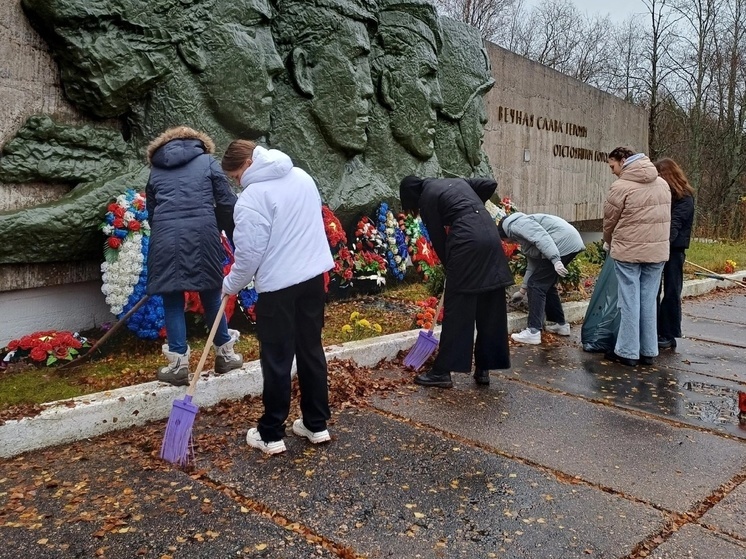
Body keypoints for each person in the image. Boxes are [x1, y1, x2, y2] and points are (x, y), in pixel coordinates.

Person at [221, 140, 334, 455]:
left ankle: (270, 433)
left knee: (277, 359)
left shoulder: (251, 199)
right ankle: (316, 424)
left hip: (279, 287)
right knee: (311, 349)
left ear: (245, 165)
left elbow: (248, 257)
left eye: (235, 176)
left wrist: (230, 285)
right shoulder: (301, 176)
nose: (237, 182)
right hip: (312, 279)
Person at [145, 126, 243, 385]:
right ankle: (225, 355)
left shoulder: (156, 169)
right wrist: (224, 231)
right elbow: (227, 202)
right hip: (203, 236)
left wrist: (166, 233)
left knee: (172, 300)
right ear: (198, 143)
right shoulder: (207, 162)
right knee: (211, 294)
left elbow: (152, 212)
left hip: (165, 239)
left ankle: (178, 366)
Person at [399, 175, 514, 388]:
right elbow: (489, 183)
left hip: (467, 241)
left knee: (458, 308)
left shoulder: (427, 197)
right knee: (490, 303)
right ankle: (483, 369)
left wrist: (450, 268)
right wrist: (469, 206)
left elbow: (438, 238)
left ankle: (442, 372)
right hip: (489, 233)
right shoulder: (456, 183)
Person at [602, 147, 671, 367]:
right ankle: (649, 351)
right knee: (648, 300)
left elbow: (609, 221)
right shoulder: (662, 184)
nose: (613, 171)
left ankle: (627, 351)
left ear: (623, 161)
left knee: (629, 301)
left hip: (628, 250)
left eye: (613, 165)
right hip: (657, 252)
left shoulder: (621, 186)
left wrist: (608, 241)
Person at [498, 212, 585, 345]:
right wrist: (522, 291)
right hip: (568, 241)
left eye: (504, 240)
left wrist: (555, 260)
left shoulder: (516, 225)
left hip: (561, 243)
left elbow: (541, 237)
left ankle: (533, 331)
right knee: (546, 284)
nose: (506, 243)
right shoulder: (520, 231)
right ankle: (560, 324)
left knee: (536, 285)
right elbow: (533, 266)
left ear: (504, 233)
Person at [654, 158, 695, 349]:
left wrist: (662, 244)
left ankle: (668, 333)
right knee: (653, 291)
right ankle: (651, 328)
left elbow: (675, 224)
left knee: (671, 291)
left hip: (674, 250)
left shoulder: (685, 198)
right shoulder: (662, 196)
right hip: (658, 247)